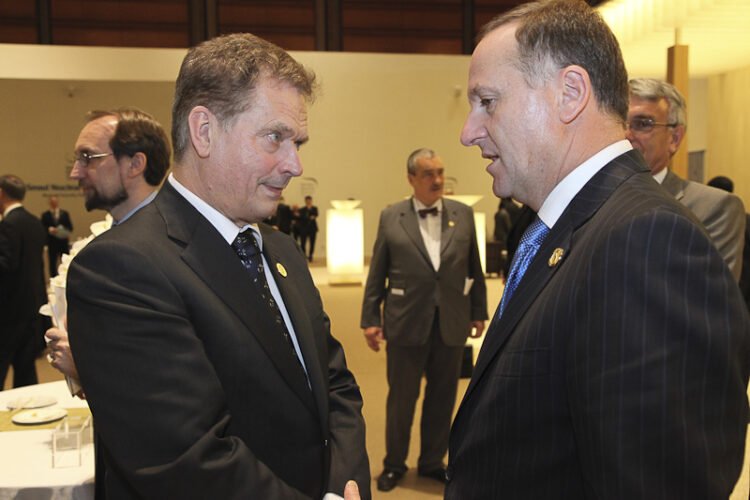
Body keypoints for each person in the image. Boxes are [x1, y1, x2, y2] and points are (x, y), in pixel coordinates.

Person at [447, 1, 750, 498]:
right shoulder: (556, 226)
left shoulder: (647, 243)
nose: (469, 131)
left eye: (487, 101)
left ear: (570, 93)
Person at [66, 33, 370, 499]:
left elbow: (335, 385)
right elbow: (185, 461)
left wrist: (344, 486)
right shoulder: (120, 267)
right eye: (275, 137)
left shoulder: (282, 250)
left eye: (298, 141)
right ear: (204, 131)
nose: (294, 163)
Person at [361, 148, 487, 492]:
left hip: (451, 320)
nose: (437, 180)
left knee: (443, 396)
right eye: (429, 174)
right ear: (411, 179)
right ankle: (394, 464)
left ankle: (433, 461)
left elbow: (474, 266)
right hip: (404, 321)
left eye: (441, 172)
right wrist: (371, 317)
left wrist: (478, 311)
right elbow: (378, 272)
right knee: (401, 399)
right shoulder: (391, 216)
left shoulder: (462, 214)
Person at [45, 107, 171, 393]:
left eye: (87, 158)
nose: (75, 173)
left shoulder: (166, 247)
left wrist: (84, 367)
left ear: (135, 164)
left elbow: (165, 379)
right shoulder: (118, 238)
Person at [627, 78, 745, 280]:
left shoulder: (714, 208)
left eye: (642, 124)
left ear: (675, 139)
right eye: (620, 123)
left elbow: (709, 295)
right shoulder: (591, 198)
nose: (626, 134)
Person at [0, 174, 46, 388]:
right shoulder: (34, 222)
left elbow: (7, 265)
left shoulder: (9, 224)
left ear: (1, 194)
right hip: (30, 307)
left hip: (8, 310)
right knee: (26, 372)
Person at [40, 195, 73, 277]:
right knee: (52, 263)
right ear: (49, 203)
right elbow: (42, 228)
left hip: (63, 242)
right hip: (52, 243)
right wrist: (49, 229)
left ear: (58, 202)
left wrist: (64, 231)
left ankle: (66, 278)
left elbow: (70, 227)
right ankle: (53, 280)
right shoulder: (45, 215)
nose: (54, 204)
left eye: (55, 202)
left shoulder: (64, 214)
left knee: (65, 262)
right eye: (52, 202)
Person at [299, 195, 319, 261]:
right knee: (303, 243)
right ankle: (303, 256)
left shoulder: (314, 208)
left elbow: (315, 215)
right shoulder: (302, 209)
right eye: (307, 200)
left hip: (312, 228)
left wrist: (310, 216)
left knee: (312, 243)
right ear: (305, 201)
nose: (308, 202)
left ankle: (310, 256)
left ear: (311, 201)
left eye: (309, 200)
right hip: (304, 228)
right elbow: (302, 217)